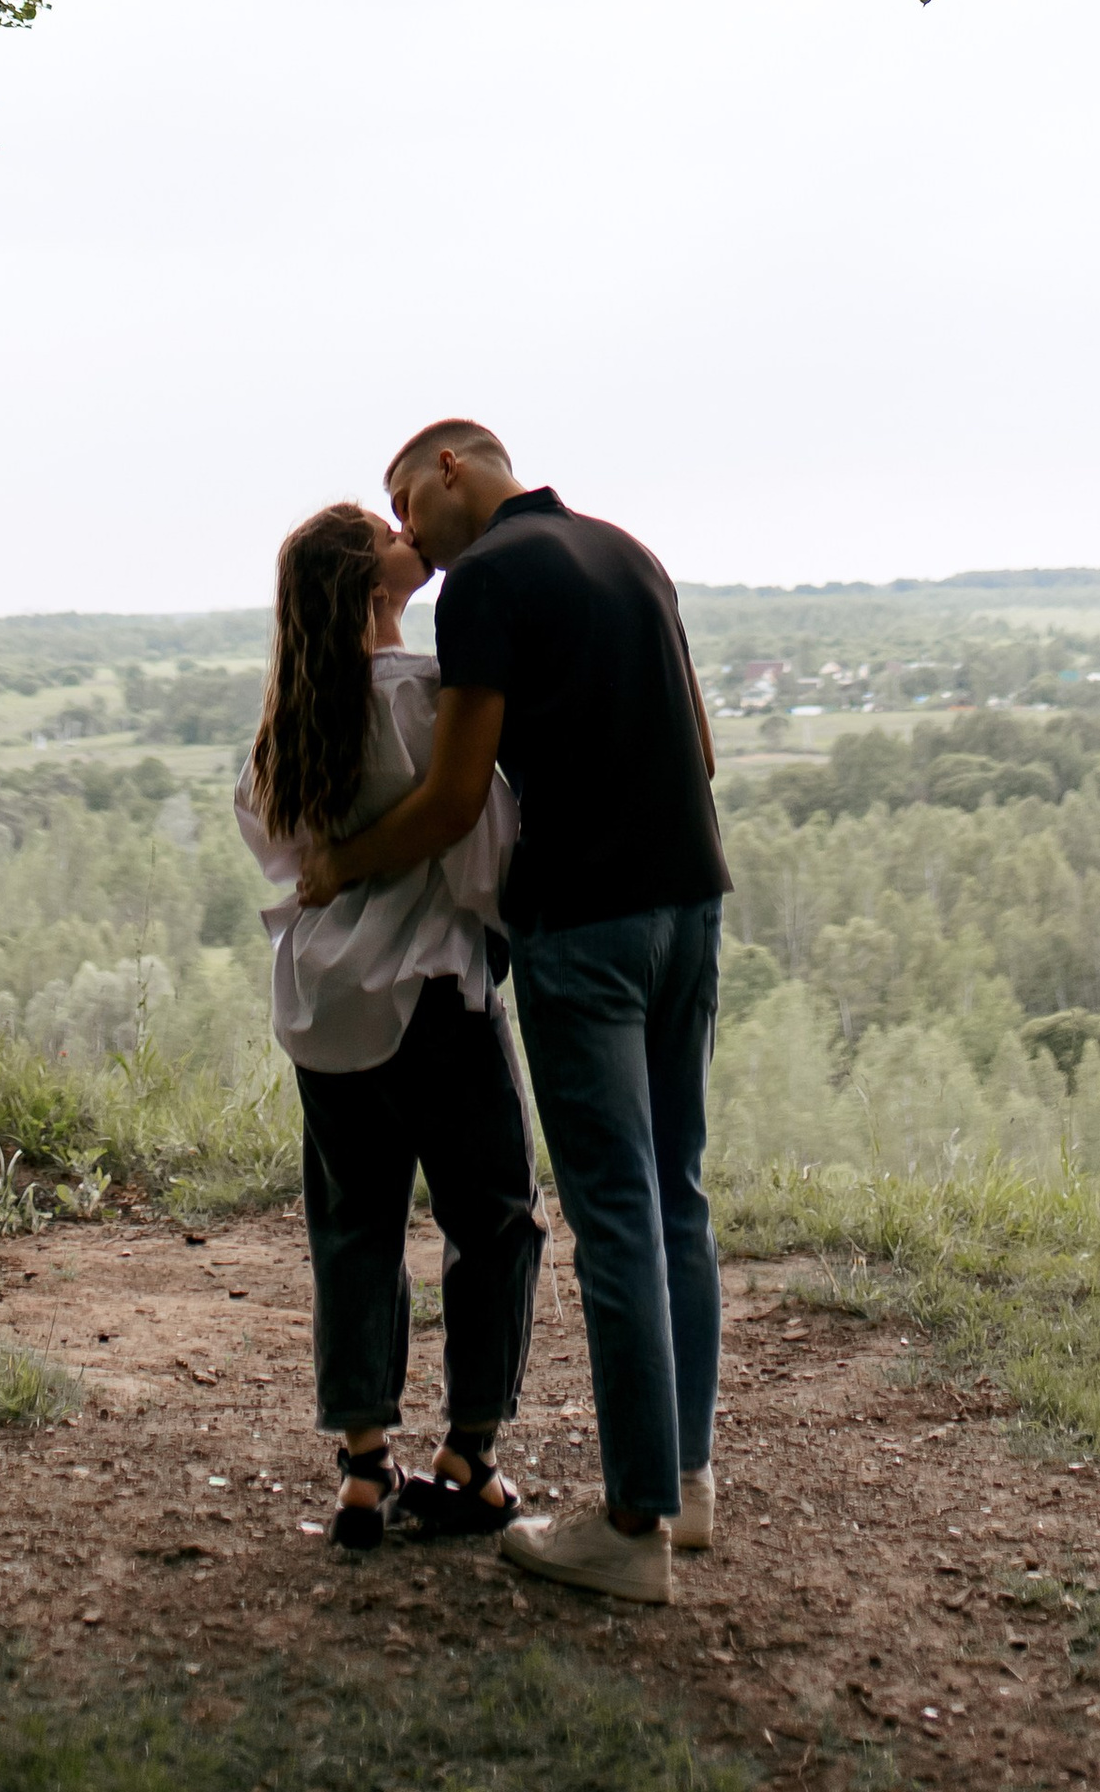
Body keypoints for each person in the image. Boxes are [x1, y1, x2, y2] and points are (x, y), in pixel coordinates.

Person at [295, 421, 730, 1606]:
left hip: (584, 925)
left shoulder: (482, 582)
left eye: (405, 500)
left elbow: (450, 800)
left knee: (614, 1212)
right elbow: (697, 748)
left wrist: (341, 866)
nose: (407, 533)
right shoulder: (629, 552)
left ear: (452, 467)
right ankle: (686, 1483)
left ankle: (630, 1528)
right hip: (690, 902)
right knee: (677, 1194)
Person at [237, 500, 542, 1551]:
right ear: (376, 584)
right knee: (494, 1216)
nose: (409, 532)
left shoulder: (291, 720)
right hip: (432, 992)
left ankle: (365, 1467)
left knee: (354, 1227)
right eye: (388, 531)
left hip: (326, 1005)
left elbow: (276, 848)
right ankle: (470, 1455)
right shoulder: (423, 695)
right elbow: (483, 844)